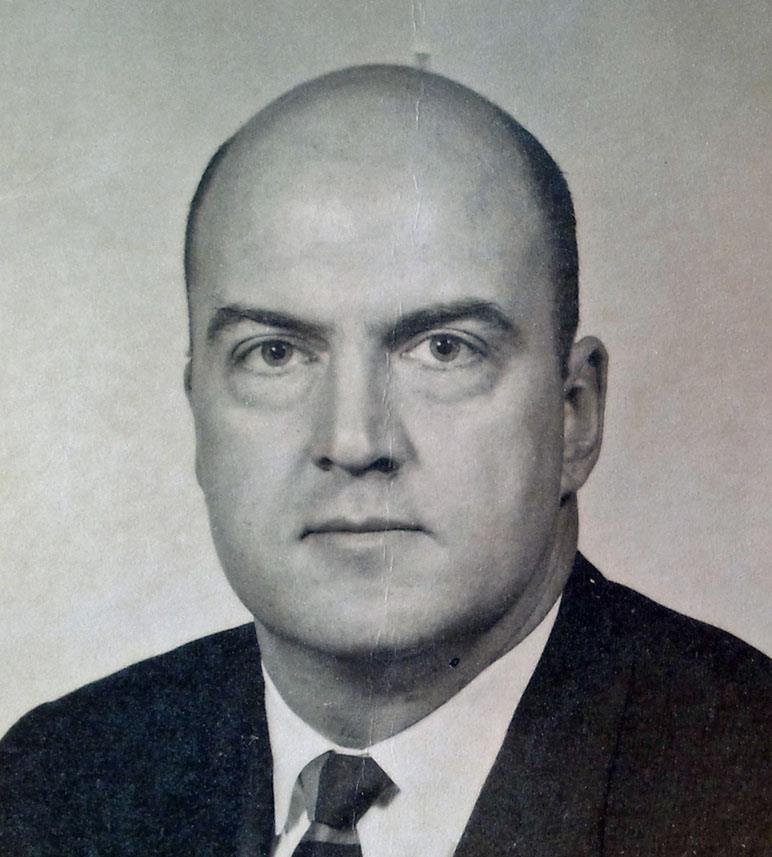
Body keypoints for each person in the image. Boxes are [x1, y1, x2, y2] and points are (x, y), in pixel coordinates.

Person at [1, 64, 768, 856]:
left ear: (574, 415)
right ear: (200, 412)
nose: (354, 441)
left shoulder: (747, 779)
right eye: (274, 352)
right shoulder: (52, 783)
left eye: (444, 348)